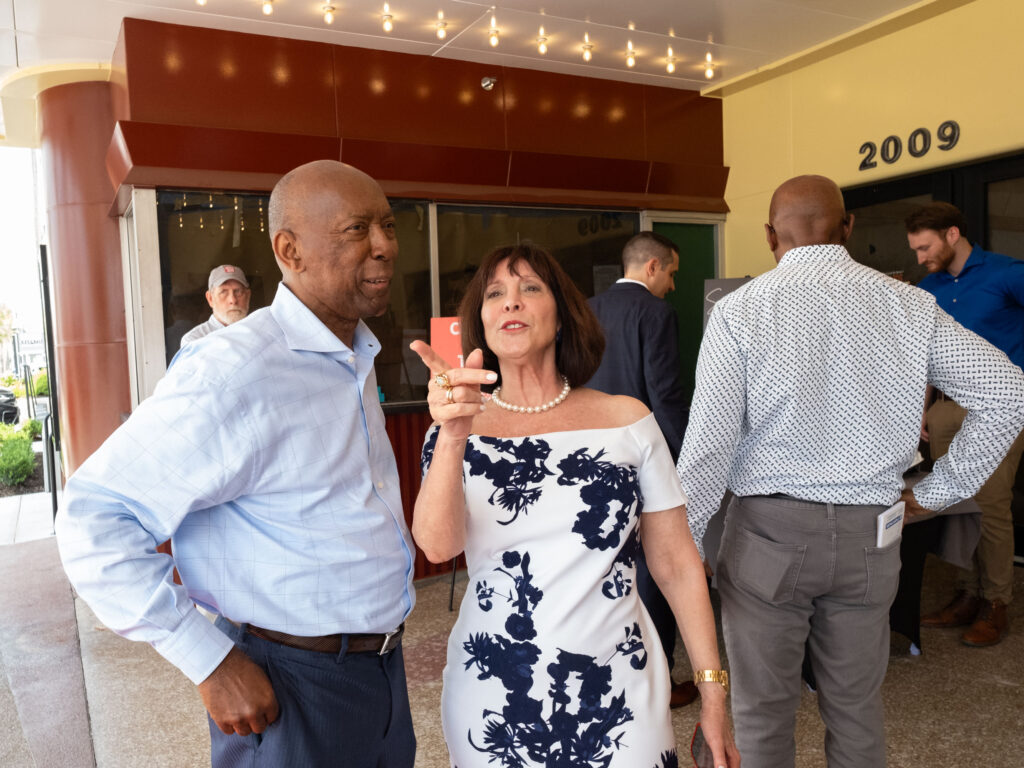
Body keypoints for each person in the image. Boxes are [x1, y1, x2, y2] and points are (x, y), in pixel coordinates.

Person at [56, 160, 417, 768]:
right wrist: (209, 660)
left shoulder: (353, 355)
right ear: (289, 250)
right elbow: (94, 520)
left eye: (386, 225)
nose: (384, 246)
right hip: (291, 688)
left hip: (379, 675)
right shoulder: (236, 371)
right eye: (357, 229)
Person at [676, 175, 1024, 768]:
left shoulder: (740, 312)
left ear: (769, 236)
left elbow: (709, 448)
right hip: (873, 532)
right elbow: (1007, 390)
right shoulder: (911, 303)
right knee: (857, 707)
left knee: (762, 713)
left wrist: (683, 542)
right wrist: (936, 492)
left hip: (768, 536)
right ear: (849, 227)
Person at [410, 244, 739, 768]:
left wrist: (713, 692)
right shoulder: (452, 429)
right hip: (497, 687)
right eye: (495, 294)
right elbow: (437, 545)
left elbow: (676, 564)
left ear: (562, 315)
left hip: (619, 685)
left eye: (530, 289)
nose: (510, 303)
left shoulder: (626, 420)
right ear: (481, 322)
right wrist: (453, 434)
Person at [906, 201, 1024, 646]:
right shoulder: (928, 290)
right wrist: (921, 409)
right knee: (959, 504)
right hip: (944, 410)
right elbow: (924, 357)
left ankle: (995, 602)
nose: (919, 258)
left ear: (953, 234)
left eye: (925, 247)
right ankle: (967, 594)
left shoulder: (1007, 273)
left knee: (990, 504)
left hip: (997, 409)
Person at [586, 231, 695, 708]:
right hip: (643, 455)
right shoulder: (656, 313)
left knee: (603, 561)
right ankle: (658, 679)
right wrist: (685, 457)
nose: (672, 284)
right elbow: (665, 392)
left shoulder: (584, 310)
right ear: (652, 267)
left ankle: (605, 665)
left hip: (588, 454)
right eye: (671, 273)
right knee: (654, 566)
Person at [180, 264, 252, 347]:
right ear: (210, 298)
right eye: (223, 292)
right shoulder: (194, 340)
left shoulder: (260, 333)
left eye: (238, 291)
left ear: (248, 296)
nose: (233, 300)